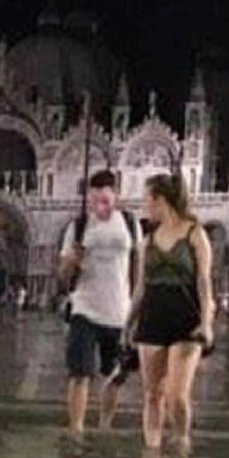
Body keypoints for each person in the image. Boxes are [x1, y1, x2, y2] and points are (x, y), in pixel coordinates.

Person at [126, 174, 214, 450]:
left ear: (160, 200)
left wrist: (206, 322)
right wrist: (127, 323)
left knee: (177, 395)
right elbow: (140, 286)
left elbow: (203, 281)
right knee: (153, 394)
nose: (144, 207)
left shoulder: (194, 233)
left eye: (146, 200)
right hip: (153, 316)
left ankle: (180, 442)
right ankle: (151, 455)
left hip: (185, 319)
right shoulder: (147, 241)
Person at [57, 169, 143, 435]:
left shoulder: (130, 223)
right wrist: (72, 260)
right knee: (79, 373)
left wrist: (138, 306)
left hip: (119, 310)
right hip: (84, 308)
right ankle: (76, 429)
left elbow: (138, 265)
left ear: (116, 196)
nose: (100, 207)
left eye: (105, 201)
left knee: (114, 375)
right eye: (94, 202)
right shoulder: (78, 226)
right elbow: (62, 275)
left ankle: (105, 424)